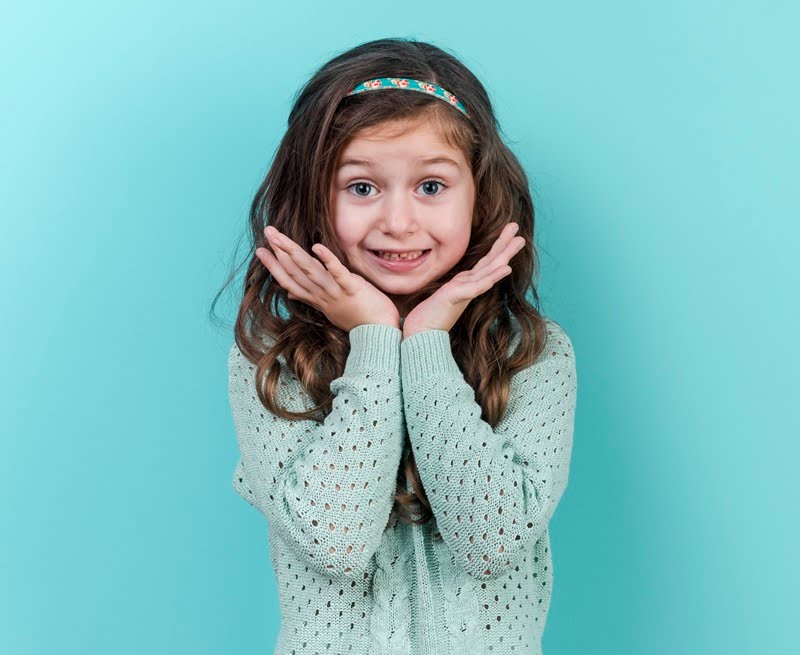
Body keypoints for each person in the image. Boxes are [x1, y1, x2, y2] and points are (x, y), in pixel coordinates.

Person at [223, 37, 578, 655]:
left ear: (480, 194)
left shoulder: (532, 353)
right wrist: (374, 338)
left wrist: (426, 345)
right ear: (314, 196)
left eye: (431, 186)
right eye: (362, 188)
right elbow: (335, 543)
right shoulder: (272, 358)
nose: (398, 222)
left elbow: (492, 543)